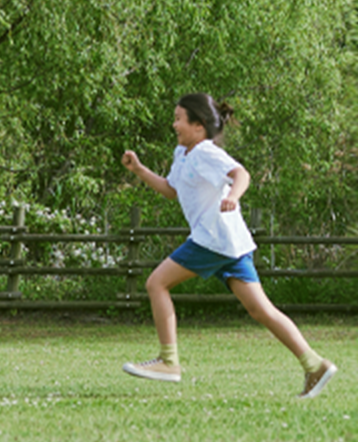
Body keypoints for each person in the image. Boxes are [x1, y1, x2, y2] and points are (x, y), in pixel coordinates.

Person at [118, 92, 339, 398]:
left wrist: (232, 196)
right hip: (230, 243)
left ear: (199, 126)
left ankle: (169, 362)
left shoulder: (205, 152)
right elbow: (171, 190)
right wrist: (140, 170)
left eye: (179, 119)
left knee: (156, 283)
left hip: (212, 239)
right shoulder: (183, 154)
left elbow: (241, 174)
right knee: (261, 310)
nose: (174, 125)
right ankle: (315, 364)